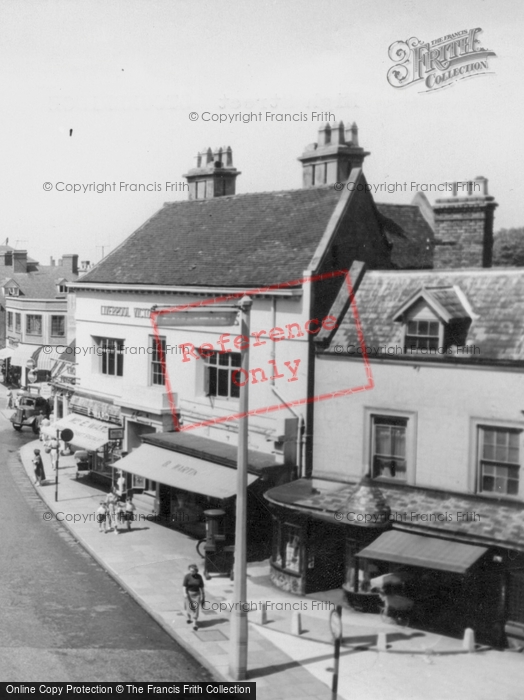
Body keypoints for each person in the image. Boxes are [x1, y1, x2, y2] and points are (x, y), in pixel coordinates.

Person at [183, 564, 205, 631]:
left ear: (196, 571)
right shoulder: (187, 576)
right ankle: (189, 618)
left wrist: (202, 595)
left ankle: (194, 624)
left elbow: (201, 587)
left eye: (193, 571)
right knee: (188, 608)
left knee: (195, 609)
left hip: (197, 595)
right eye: (190, 571)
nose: (191, 572)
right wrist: (184, 593)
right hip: (189, 594)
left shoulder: (199, 577)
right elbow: (184, 586)